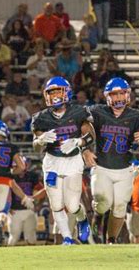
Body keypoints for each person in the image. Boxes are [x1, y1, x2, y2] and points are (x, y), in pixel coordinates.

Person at [83, 77, 139, 244]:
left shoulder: (136, 116)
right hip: (102, 166)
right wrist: (85, 149)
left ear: (128, 95)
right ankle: (97, 219)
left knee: (119, 207)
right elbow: (81, 126)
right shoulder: (97, 112)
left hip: (124, 168)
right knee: (103, 202)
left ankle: (111, 239)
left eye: (122, 93)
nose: (119, 98)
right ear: (107, 96)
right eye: (115, 94)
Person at [31, 77, 95, 245]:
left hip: (73, 160)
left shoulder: (78, 112)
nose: (55, 96)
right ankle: (67, 237)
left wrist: (78, 142)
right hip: (52, 161)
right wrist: (40, 140)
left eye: (58, 91)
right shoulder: (41, 118)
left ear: (67, 92)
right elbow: (36, 146)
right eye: (51, 92)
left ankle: (82, 219)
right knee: (56, 203)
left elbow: (91, 135)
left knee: (73, 206)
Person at [7, 157, 45, 246]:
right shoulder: (10, 177)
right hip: (15, 211)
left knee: (31, 237)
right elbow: (5, 193)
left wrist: (39, 204)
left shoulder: (32, 176)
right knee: (13, 237)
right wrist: (8, 207)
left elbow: (43, 191)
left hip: (29, 209)